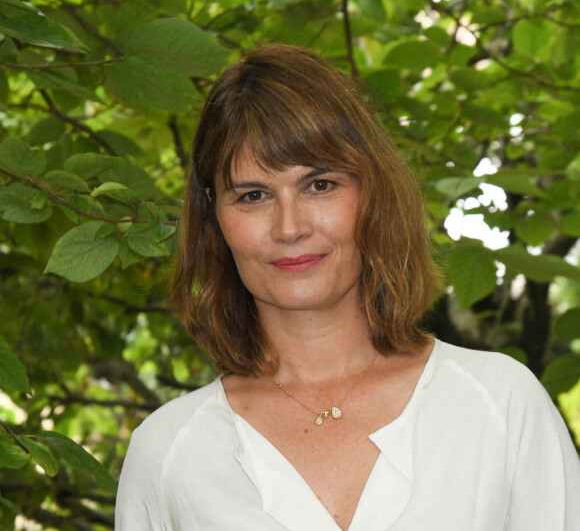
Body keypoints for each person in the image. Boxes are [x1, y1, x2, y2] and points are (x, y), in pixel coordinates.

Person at [115, 44, 580, 531]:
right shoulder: (169, 455)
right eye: (253, 195)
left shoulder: (500, 406)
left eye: (319, 185)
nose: (289, 227)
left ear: (371, 193)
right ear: (215, 217)